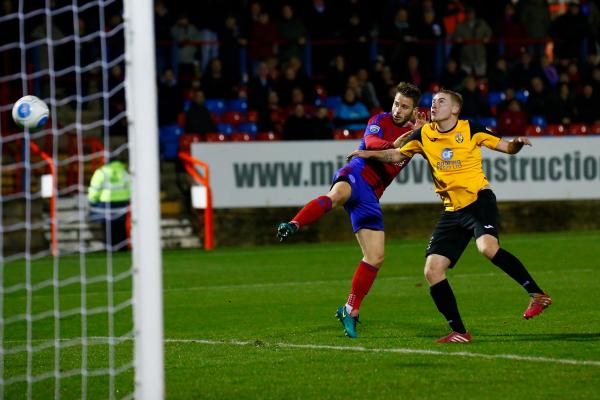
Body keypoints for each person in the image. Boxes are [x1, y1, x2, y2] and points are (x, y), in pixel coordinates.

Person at [348, 89, 552, 343]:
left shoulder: (470, 128)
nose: (434, 105)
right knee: (433, 270)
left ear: (455, 109)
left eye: (441, 102)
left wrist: (518, 143)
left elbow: (507, 147)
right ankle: (459, 332)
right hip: (451, 211)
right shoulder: (424, 134)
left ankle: (536, 294)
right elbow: (396, 155)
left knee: (487, 248)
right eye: (433, 102)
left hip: (478, 200)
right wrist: (366, 154)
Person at [276, 82, 425, 338]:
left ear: (414, 111)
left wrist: (423, 134)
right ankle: (294, 224)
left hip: (372, 196)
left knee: (375, 257)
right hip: (356, 172)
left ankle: (350, 309)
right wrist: (397, 142)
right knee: (336, 195)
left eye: (405, 107)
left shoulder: (417, 134)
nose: (398, 110)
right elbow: (371, 141)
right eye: (397, 103)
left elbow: (435, 150)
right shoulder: (380, 119)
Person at [88, 156, 131, 252]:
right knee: (120, 227)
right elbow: (130, 187)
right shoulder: (124, 172)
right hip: (122, 203)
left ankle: (110, 248)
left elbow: (95, 188)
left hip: (106, 203)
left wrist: (92, 200)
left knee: (108, 227)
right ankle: (122, 248)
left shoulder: (102, 172)